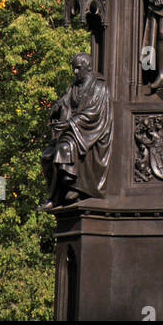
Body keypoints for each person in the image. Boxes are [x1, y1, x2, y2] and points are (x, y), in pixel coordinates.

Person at [41, 54, 113, 209]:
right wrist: (57, 106)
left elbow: (93, 113)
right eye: (73, 68)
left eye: (78, 68)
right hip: (73, 130)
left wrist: (70, 124)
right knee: (47, 155)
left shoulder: (99, 87)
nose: (75, 71)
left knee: (64, 149)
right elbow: (65, 101)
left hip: (89, 132)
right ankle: (55, 195)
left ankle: (73, 187)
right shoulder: (75, 86)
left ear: (88, 67)